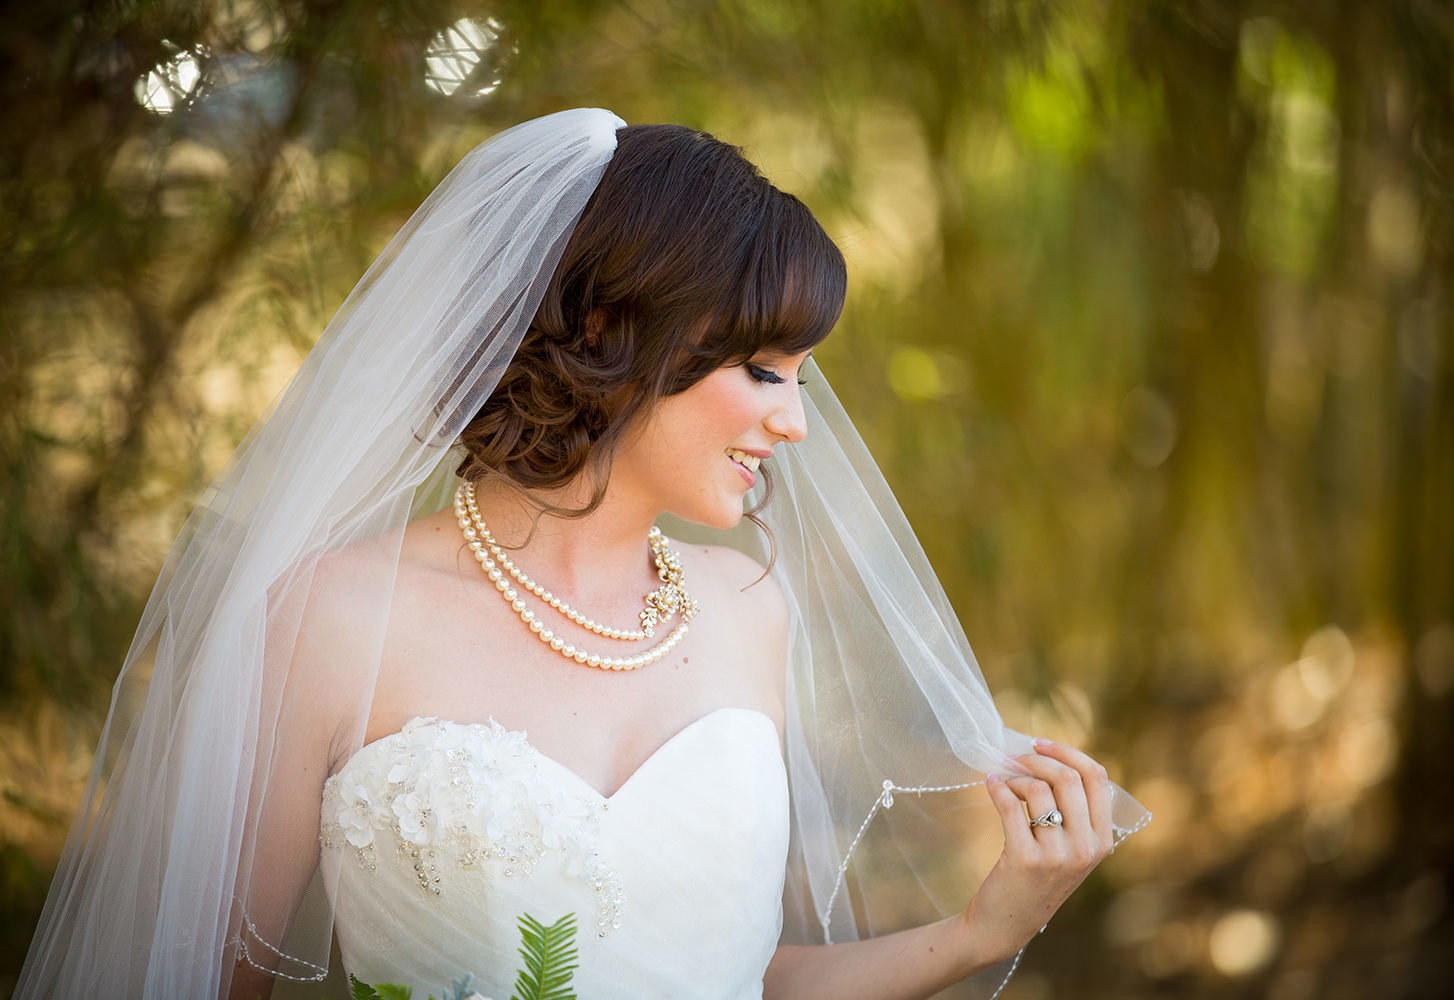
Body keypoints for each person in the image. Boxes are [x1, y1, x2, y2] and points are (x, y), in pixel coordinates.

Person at [17, 108, 1148, 1000]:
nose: (797, 422)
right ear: (614, 332)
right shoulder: (334, 618)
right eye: (763, 369)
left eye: (802, 378)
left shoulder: (752, 607)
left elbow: (738, 979)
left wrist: (979, 930)